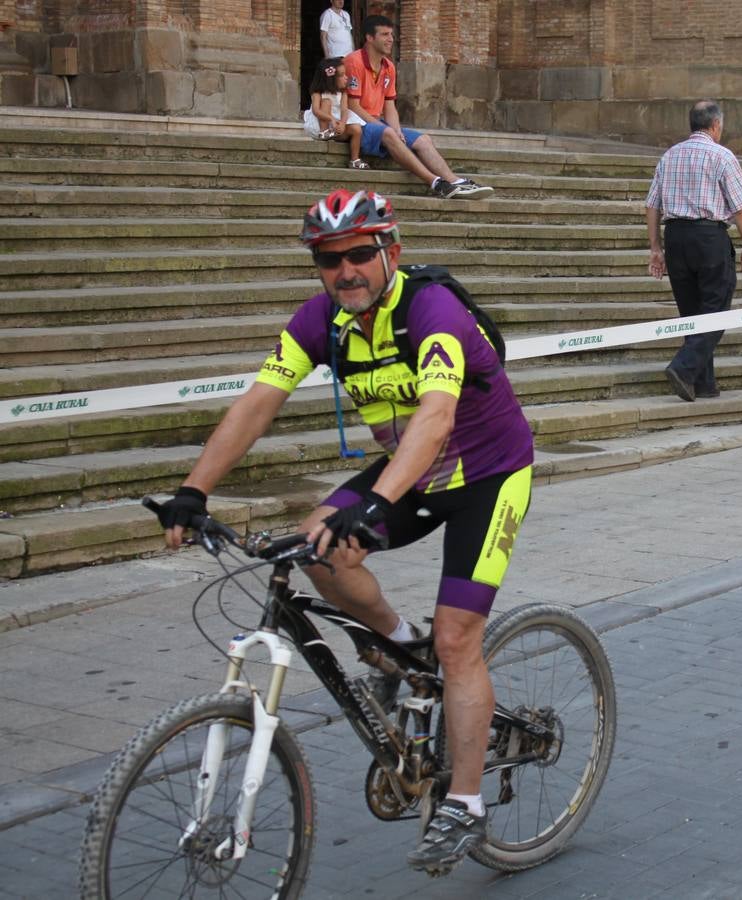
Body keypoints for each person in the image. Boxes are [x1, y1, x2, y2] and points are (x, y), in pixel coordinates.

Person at [154, 189, 534, 870]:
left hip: (487, 473)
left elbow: (437, 418)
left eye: (361, 253)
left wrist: (379, 504)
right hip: (411, 472)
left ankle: (466, 805)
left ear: (393, 251)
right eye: (330, 259)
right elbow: (256, 405)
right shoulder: (319, 321)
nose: (346, 270)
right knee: (316, 549)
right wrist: (193, 489)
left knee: (458, 638)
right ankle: (395, 644)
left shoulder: (430, 310)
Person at [645, 100, 742, 401]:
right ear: (716, 125)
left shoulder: (669, 156)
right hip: (709, 238)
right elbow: (740, 207)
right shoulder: (721, 155)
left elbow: (652, 205)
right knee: (717, 309)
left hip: (676, 237)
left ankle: (704, 383)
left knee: (693, 313)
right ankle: (684, 367)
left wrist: (656, 248)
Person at [343, 15, 493, 200]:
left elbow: (389, 104)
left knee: (423, 139)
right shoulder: (354, 62)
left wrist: (396, 129)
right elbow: (353, 105)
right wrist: (386, 129)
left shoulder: (388, 66)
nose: (391, 39)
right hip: (356, 124)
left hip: (376, 122)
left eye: (391, 34)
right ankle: (436, 183)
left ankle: (455, 182)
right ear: (369, 38)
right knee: (389, 134)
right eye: (385, 34)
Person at [302, 58, 368, 170]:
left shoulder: (343, 93)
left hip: (336, 127)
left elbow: (344, 110)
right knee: (327, 102)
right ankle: (325, 132)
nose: (346, 77)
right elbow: (316, 110)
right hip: (321, 123)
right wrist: (331, 119)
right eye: (342, 75)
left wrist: (342, 123)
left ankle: (354, 159)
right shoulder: (318, 93)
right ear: (331, 79)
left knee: (357, 129)